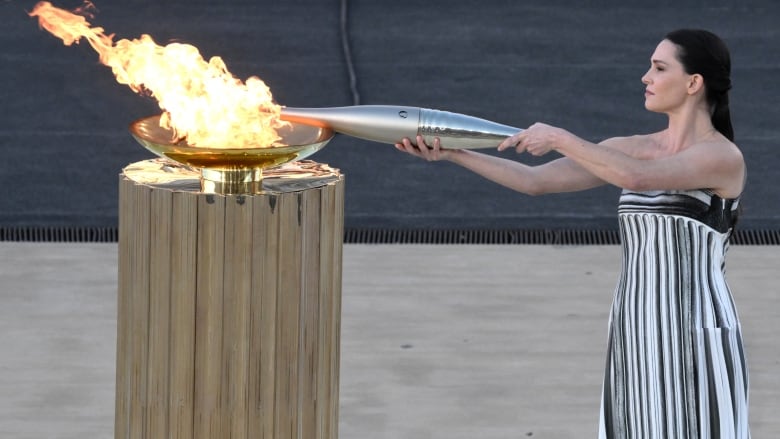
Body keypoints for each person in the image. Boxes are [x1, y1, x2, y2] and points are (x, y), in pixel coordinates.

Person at [395, 29, 749, 438]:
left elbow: (637, 177)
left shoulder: (721, 157)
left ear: (693, 83)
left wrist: (561, 137)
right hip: (635, 327)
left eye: (658, 68)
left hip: (696, 330)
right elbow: (534, 181)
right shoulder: (630, 146)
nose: (645, 77)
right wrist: (454, 153)